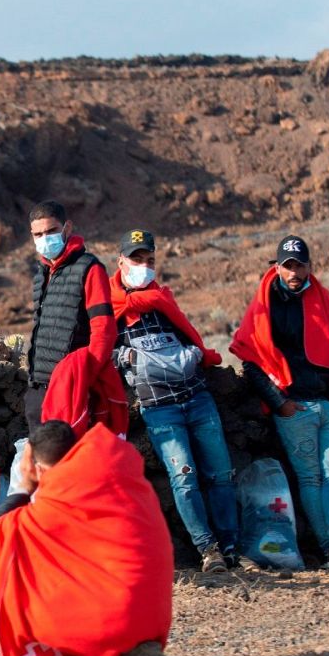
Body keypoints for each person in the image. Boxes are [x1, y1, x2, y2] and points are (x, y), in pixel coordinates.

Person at [0, 422, 173, 656]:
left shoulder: (60, 494)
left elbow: (0, 533)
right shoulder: (117, 475)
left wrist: (24, 488)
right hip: (149, 621)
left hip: (110, 625)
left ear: (34, 463)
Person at [230, 235, 329, 572]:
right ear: (278, 267)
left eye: (300, 265)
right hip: (294, 407)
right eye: (288, 265)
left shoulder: (324, 302)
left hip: (325, 405)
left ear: (311, 267)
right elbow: (251, 360)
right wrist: (279, 403)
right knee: (312, 478)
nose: (294, 271)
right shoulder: (265, 305)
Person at [109, 228, 240, 573]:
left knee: (221, 474)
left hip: (197, 398)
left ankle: (232, 550)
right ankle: (208, 550)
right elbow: (103, 351)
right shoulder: (109, 309)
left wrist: (195, 354)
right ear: (120, 260)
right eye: (137, 259)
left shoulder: (162, 301)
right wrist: (131, 359)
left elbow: (190, 335)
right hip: (160, 409)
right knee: (184, 478)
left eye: (150, 260)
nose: (144, 266)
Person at [0, 420, 77, 625]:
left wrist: (26, 487)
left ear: (38, 468)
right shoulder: (109, 482)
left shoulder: (47, 504)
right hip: (124, 600)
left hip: (76, 614)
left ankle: (20, 638)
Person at [22, 200, 121, 435]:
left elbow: (104, 330)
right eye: (38, 234)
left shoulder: (89, 268)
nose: (45, 238)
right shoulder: (41, 274)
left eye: (51, 231)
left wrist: (84, 378)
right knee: (44, 465)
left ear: (67, 228)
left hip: (71, 388)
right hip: (39, 389)